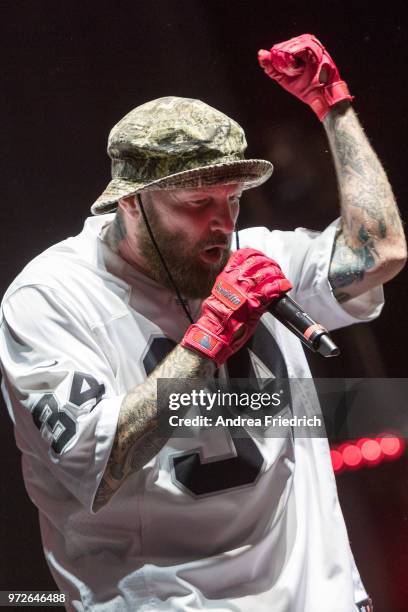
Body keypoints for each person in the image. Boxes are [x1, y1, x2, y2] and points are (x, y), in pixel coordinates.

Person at [0, 34, 405, 612]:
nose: (223, 224)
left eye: (233, 198)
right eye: (197, 204)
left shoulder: (252, 258)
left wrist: (333, 105)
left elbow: (381, 253)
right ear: (131, 202)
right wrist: (207, 339)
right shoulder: (50, 299)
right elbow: (101, 464)